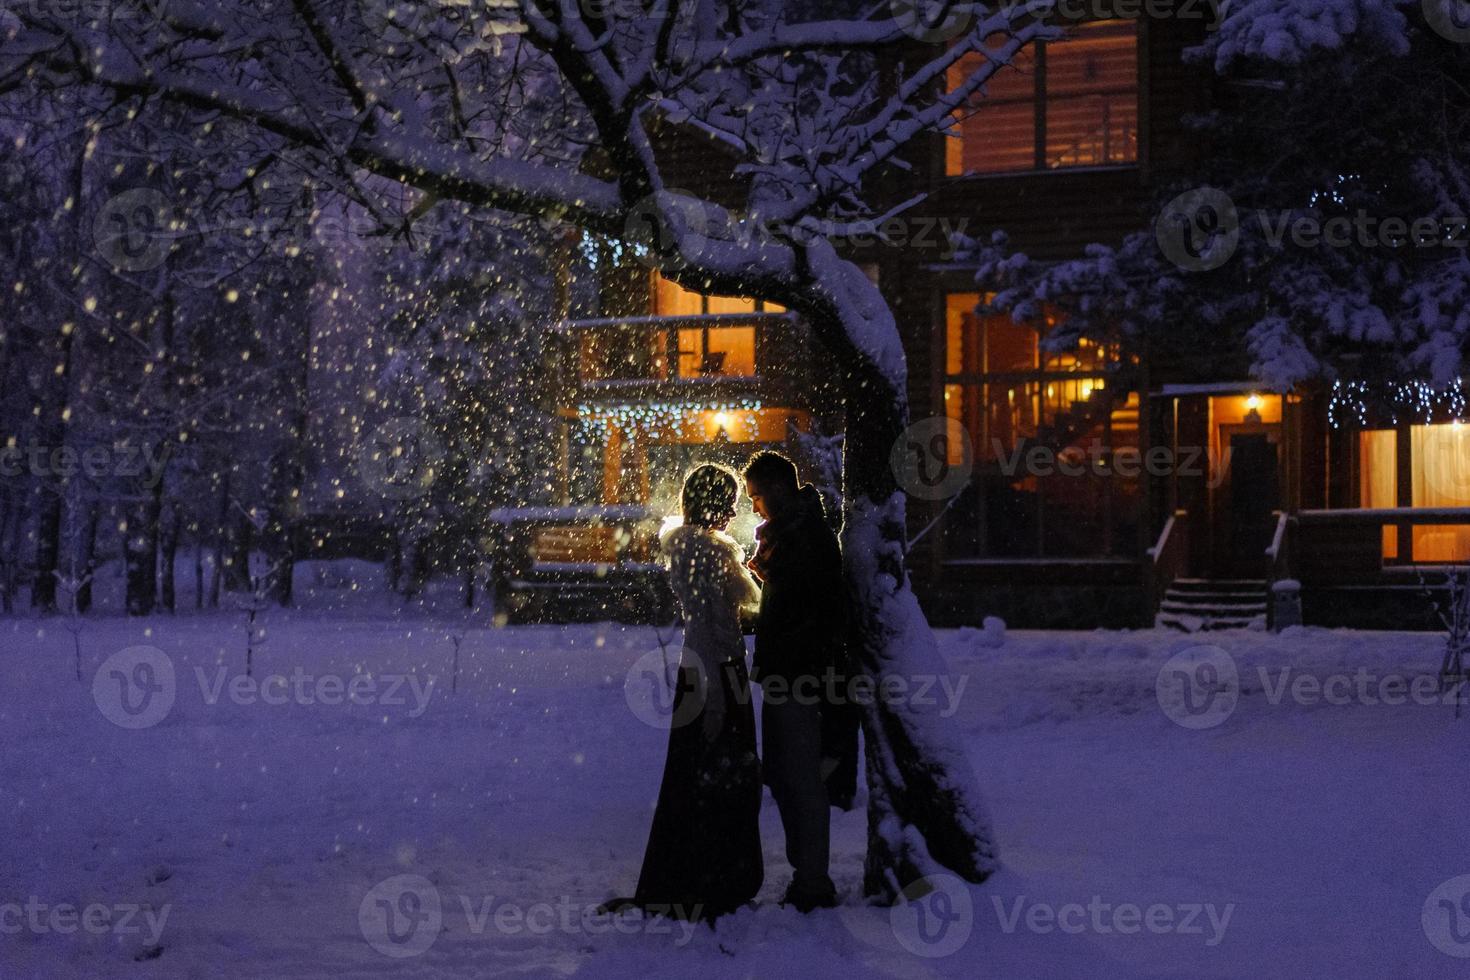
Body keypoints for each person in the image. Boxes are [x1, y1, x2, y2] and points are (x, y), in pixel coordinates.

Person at [616, 464, 764, 922]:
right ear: (718, 503)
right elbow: (747, 610)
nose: (738, 507)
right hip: (719, 667)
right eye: (733, 498)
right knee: (724, 772)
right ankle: (717, 876)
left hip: (693, 664)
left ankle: (684, 870)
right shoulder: (716, 553)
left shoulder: (681, 547)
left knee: (689, 774)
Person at [743, 450, 854, 912]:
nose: (753, 507)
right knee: (789, 776)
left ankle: (813, 880)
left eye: (757, 496)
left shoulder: (801, 536)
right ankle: (808, 874)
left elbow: (804, 607)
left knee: (799, 778)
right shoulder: (796, 532)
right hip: (791, 671)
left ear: (779, 490)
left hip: (799, 675)